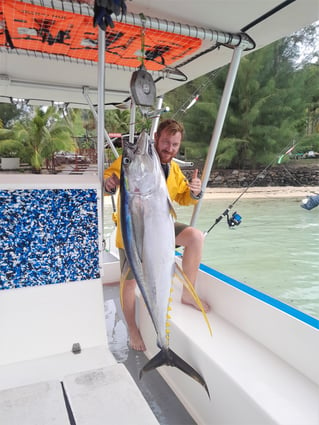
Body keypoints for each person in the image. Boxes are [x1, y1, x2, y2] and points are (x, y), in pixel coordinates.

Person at [104, 119, 209, 351]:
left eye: (174, 144)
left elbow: (184, 198)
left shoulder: (173, 169)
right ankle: (133, 328)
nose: (169, 149)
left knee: (194, 237)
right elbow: (108, 183)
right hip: (133, 234)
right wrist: (110, 184)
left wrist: (195, 192)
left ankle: (188, 294)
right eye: (165, 142)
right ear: (156, 139)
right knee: (129, 283)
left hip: (161, 229)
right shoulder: (130, 161)